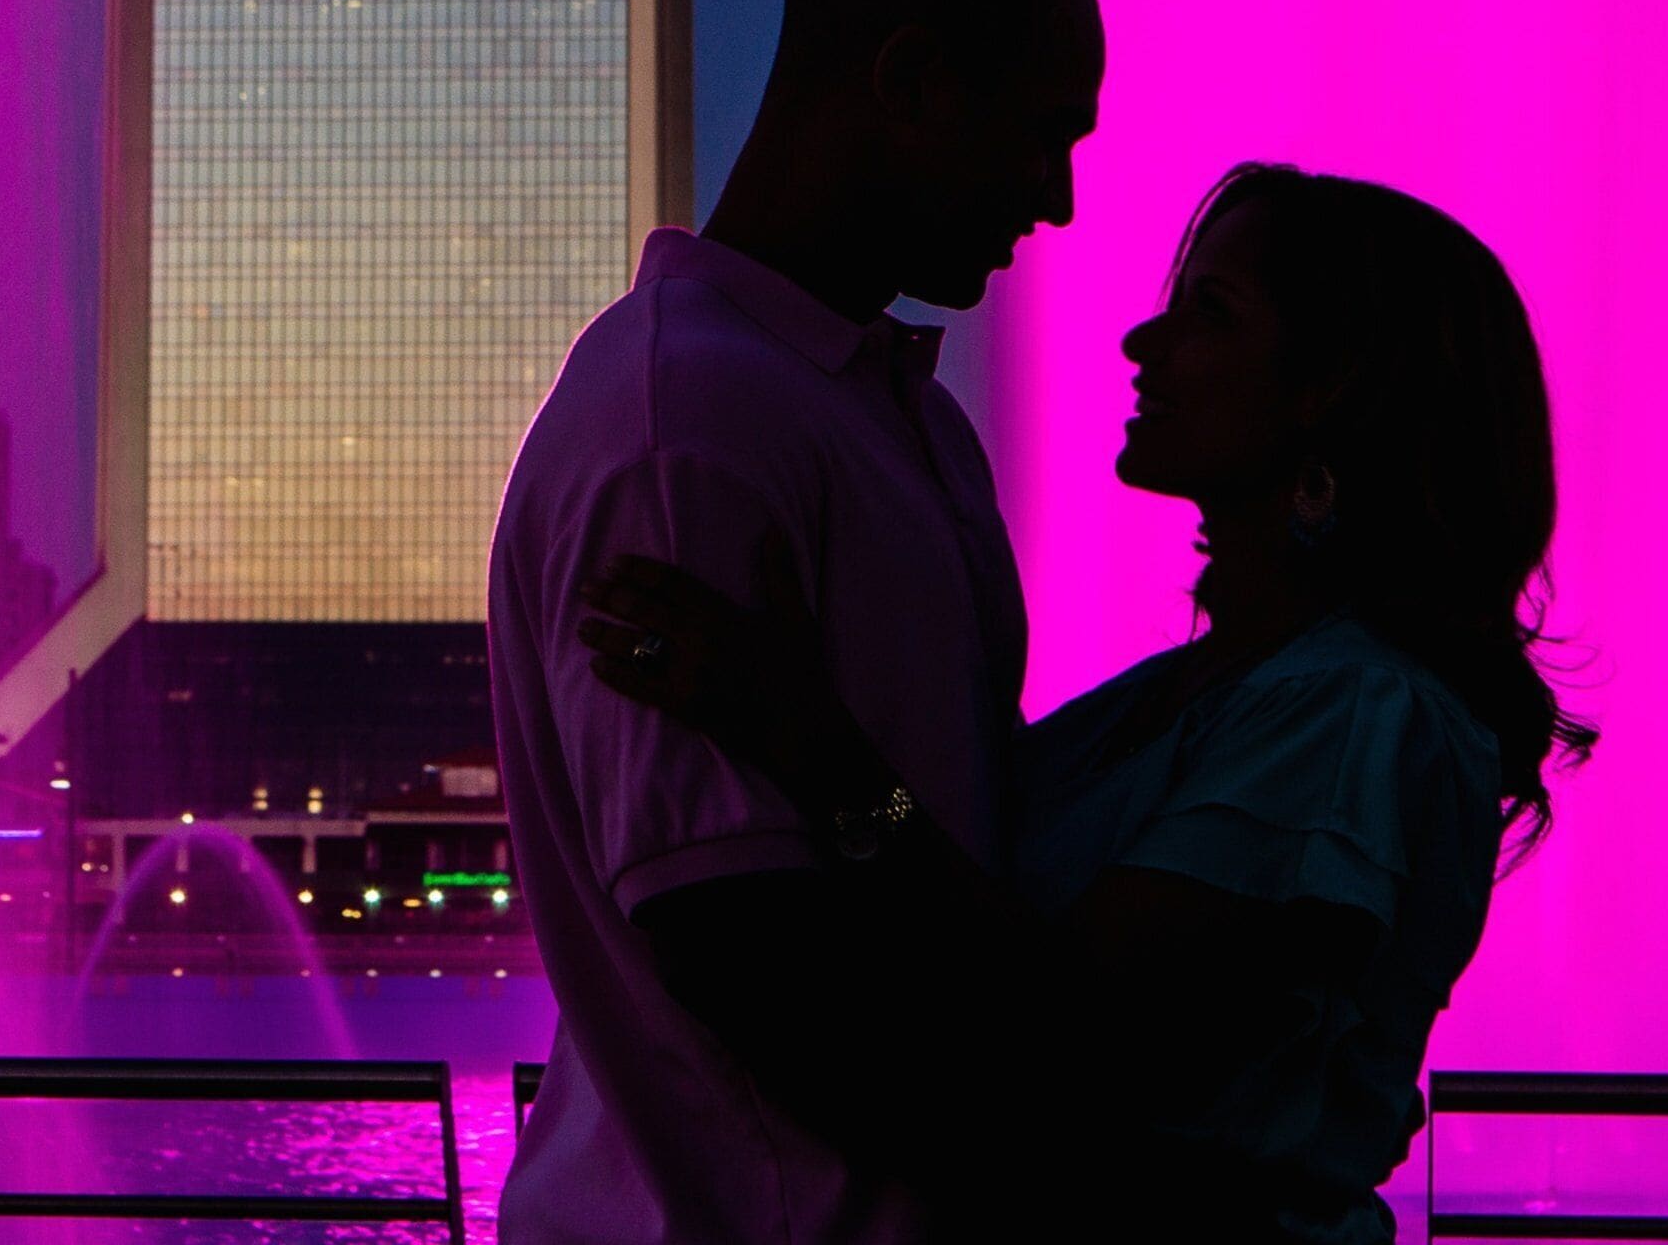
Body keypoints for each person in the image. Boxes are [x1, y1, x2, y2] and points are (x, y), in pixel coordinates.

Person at [578, 165, 1593, 1241]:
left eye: (1211, 312)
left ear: (1334, 394)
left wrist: (815, 746)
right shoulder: (1199, 697)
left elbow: (1059, 1020)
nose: (1142, 344)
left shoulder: (1359, 712)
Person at [486, 0, 1106, 1245]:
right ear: (911, 82)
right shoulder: (689, 426)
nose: (1056, 200)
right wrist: (1055, 1166)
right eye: (1040, 135)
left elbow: (903, 835)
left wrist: (838, 769)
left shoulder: (903, 425)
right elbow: (744, 945)